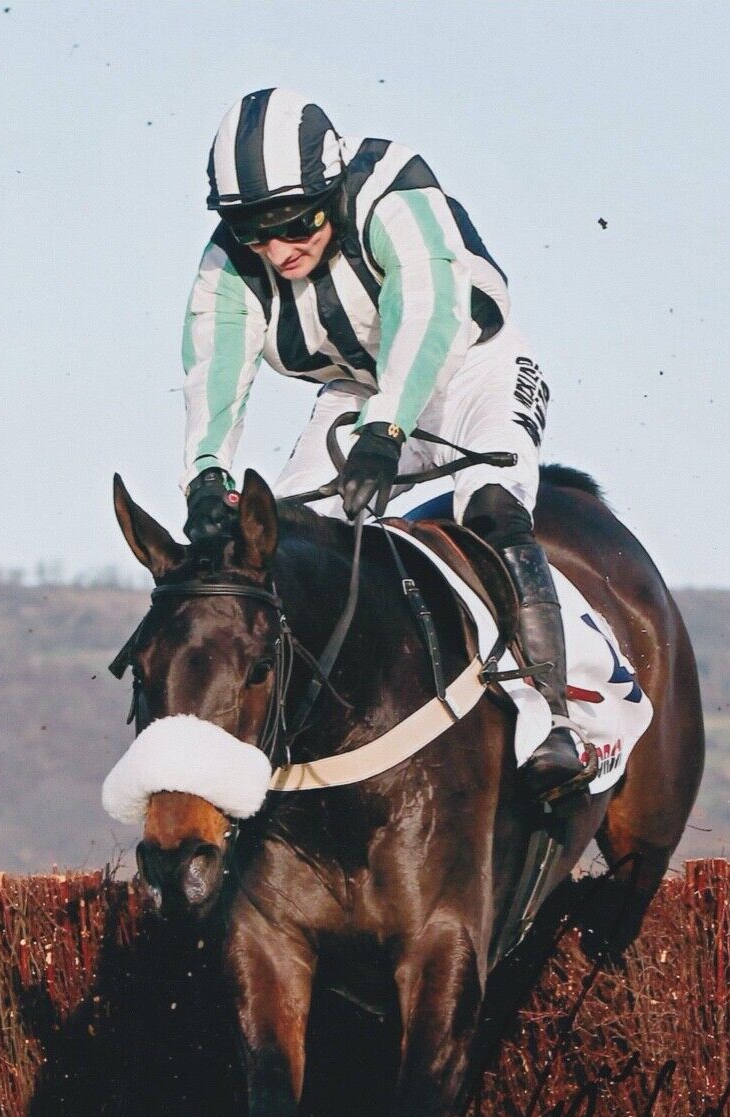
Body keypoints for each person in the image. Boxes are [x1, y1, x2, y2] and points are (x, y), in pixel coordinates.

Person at [179, 87, 588, 804]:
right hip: (357, 392)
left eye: (296, 222)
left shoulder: (392, 188)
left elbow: (424, 309)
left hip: (472, 370)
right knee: (282, 545)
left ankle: (547, 715)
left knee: (491, 511)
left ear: (331, 190)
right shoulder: (231, 261)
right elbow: (214, 372)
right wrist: (206, 477)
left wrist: (388, 429)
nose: (279, 250)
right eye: (255, 232)